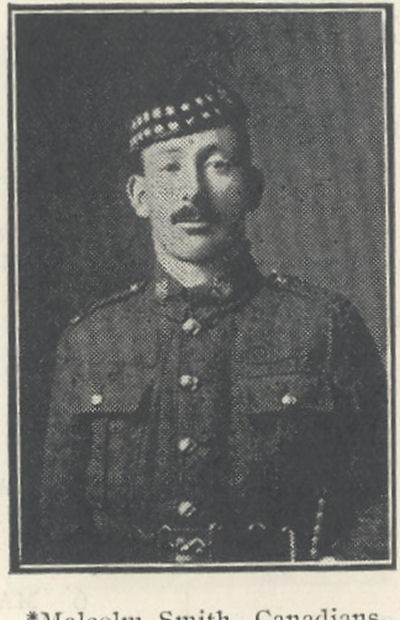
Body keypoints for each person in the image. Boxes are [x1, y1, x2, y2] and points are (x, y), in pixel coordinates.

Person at [39, 68, 388, 564]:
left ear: (252, 188)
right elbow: (59, 530)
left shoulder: (324, 327)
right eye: (170, 168)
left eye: (218, 165)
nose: (193, 193)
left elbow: (384, 501)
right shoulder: (90, 341)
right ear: (139, 196)